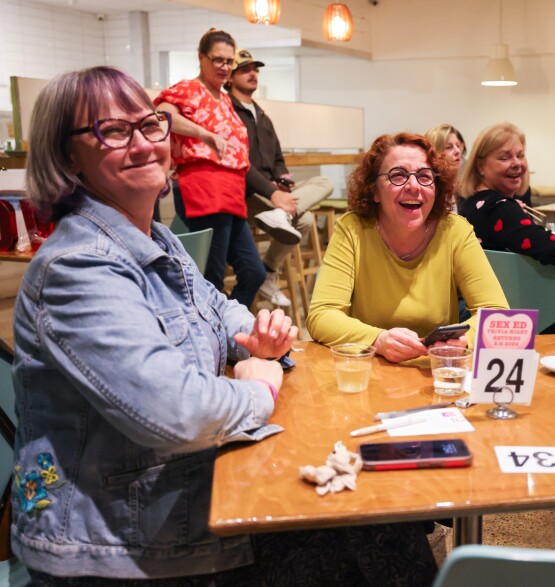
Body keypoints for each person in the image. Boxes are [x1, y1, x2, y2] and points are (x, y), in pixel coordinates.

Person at [14, 66, 438, 587]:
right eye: (113, 131)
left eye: (150, 125)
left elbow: (227, 312)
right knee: (372, 533)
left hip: (186, 497)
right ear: (65, 156)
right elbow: (179, 412)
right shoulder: (78, 267)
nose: (146, 144)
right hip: (121, 545)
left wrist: (261, 336)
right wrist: (260, 381)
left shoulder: (159, 242)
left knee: (380, 519)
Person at [307, 132, 509, 363]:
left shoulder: (456, 231)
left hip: (437, 372)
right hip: (370, 371)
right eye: (398, 176)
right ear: (374, 190)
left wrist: (466, 340)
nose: (413, 186)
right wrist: (378, 339)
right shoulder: (352, 229)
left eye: (424, 177)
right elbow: (321, 315)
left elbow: (496, 314)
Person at [458, 123, 555, 337]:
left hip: (511, 312)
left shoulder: (473, 203)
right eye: (504, 157)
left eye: (520, 155)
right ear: (480, 166)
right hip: (528, 317)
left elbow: (532, 238)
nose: (517, 164)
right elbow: (548, 246)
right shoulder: (498, 208)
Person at [154, 29, 266, 307]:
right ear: (201, 58)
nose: (225, 67)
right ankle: (214, 339)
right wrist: (203, 133)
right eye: (218, 60)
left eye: (229, 61)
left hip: (232, 193)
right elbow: (162, 116)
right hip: (205, 188)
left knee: (254, 272)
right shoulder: (189, 89)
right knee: (211, 274)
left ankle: (228, 327)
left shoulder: (225, 98)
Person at [227, 48, 334, 307]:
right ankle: (268, 271)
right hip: (248, 194)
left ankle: (276, 234)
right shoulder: (228, 111)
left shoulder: (262, 115)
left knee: (325, 183)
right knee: (305, 219)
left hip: (272, 192)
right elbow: (241, 165)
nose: (253, 73)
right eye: (245, 69)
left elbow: (276, 158)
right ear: (230, 78)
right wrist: (272, 192)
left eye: (255, 69)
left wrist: (282, 178)